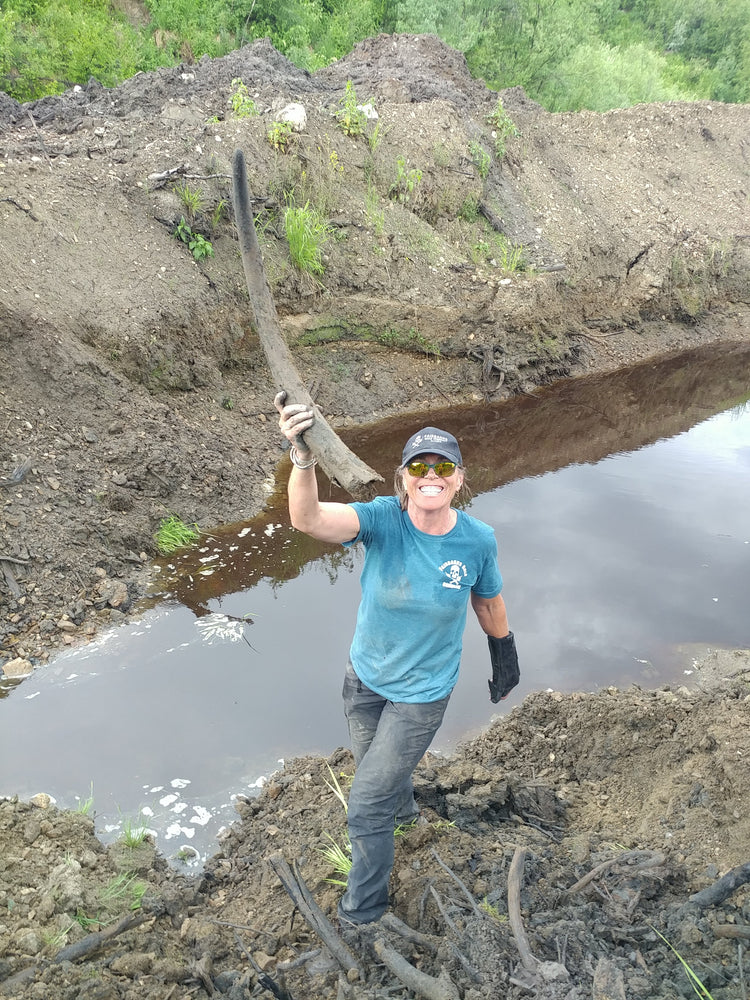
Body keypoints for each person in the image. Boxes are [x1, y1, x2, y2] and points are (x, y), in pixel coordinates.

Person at [274, 391, 519, 928]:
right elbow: (308, 520)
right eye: (419, 466)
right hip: (363, 680)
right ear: (403, 476)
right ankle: (404, 815)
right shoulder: (384, 520)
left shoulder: (477, 540)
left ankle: (364, 913)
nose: (431, 474)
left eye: (443, 466)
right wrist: (302, 455)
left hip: (420, 695)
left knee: (364, 805)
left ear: (459, 479)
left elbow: (488, 599)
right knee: (376, 777)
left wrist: (504, 650)